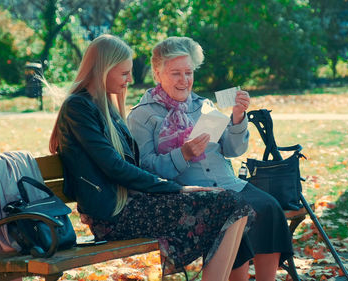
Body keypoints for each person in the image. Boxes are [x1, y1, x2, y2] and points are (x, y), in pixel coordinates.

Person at [48, 34, 254, 281]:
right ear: (104, 70)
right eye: (124, 73)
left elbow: (127, 166)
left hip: (133, 204)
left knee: (235, 204)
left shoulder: (106, 108)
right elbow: (114, 167)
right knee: (228, 204)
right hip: (112, 215)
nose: (130, 80)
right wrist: (177, 189)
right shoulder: (79, 108)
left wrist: (176, 189)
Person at [127, 36, 293, 281]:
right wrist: (182, 155)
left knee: (268, 207)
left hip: (229, 184)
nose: (184, 81)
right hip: (193, 192)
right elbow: (144, 169)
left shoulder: (203, 105)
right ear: (157, 73)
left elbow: (233, 149)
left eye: (189, 72)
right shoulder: (143, 115)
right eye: (176, 74)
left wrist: (237, 117)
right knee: (234, 216)